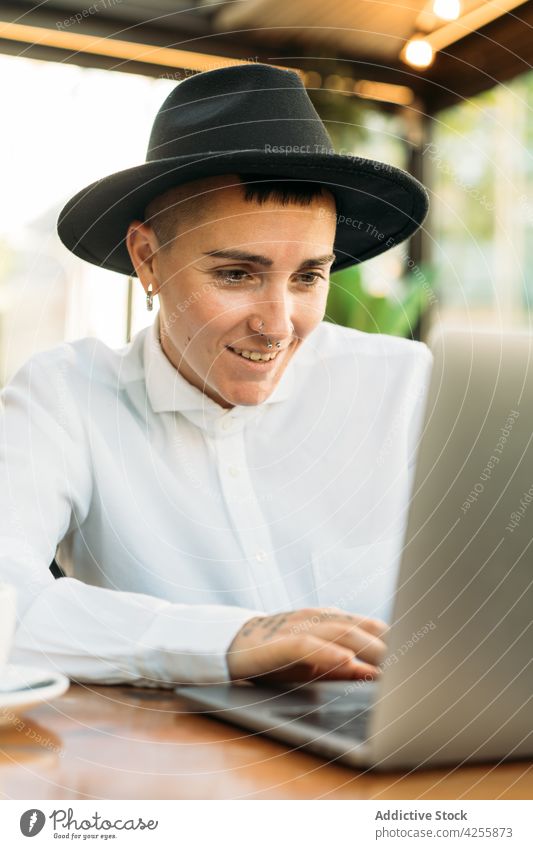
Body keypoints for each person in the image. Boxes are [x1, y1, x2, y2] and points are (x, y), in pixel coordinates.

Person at [1, 63, 432, 688]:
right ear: (147, 258)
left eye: (309, 276)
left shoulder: (404, 386)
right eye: (237, 274)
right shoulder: (66, 398)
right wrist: (227, 640)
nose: (279, 325)